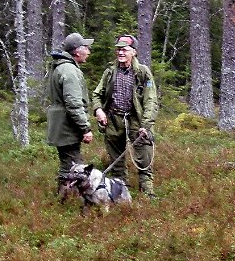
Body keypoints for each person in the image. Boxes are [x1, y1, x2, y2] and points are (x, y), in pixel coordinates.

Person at [93, 34, 159, 197]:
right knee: (116, 162)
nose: (120, 52)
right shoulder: (110, 72)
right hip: (113, 120)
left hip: (136, 121)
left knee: (144, 158)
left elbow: (151, 100)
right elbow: (96, 95)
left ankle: (148, 193)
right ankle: (120, 193)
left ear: (134, 52)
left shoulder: (143, 73)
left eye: (124, 49)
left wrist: (146, 125)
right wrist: (98, 110)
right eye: (118, 49)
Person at [46, 32, 94, 196]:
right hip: (67, 126)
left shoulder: (61, 67)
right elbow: (73, 103)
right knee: (73, 165)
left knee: (67, 162)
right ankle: (65, 199)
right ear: (77, 51)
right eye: (86, 48)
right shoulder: (69, 70)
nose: (89, 52)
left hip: (62, 124)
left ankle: (62, 197)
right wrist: (85, 128)